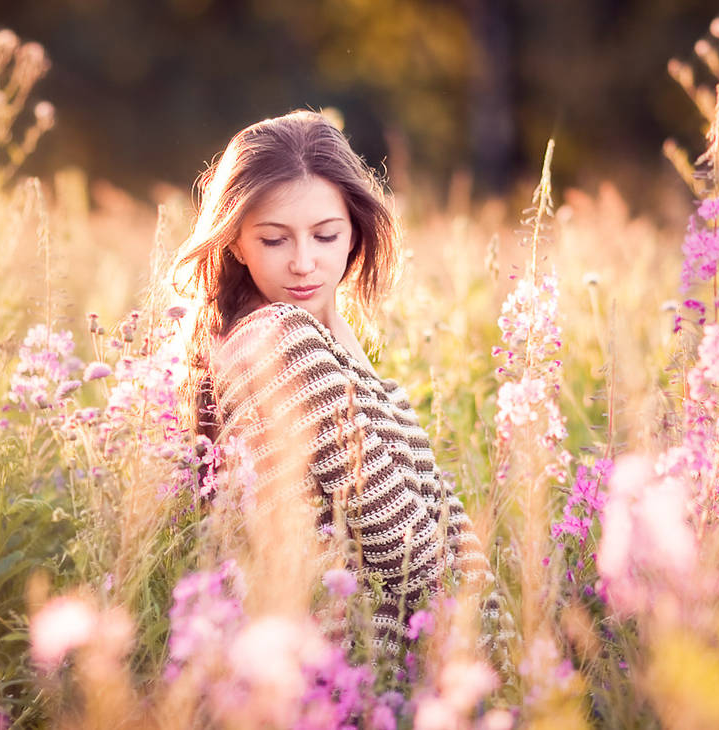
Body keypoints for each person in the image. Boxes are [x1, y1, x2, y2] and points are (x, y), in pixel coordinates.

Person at [168, 109, 493, 661]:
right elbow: (402, 540)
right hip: (349, 676)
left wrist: (334, 320)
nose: (303, 262)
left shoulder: (266, 338)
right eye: (274, 240)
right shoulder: (282, 338)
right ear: (237, 244)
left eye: (325, 235)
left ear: (355, 234)